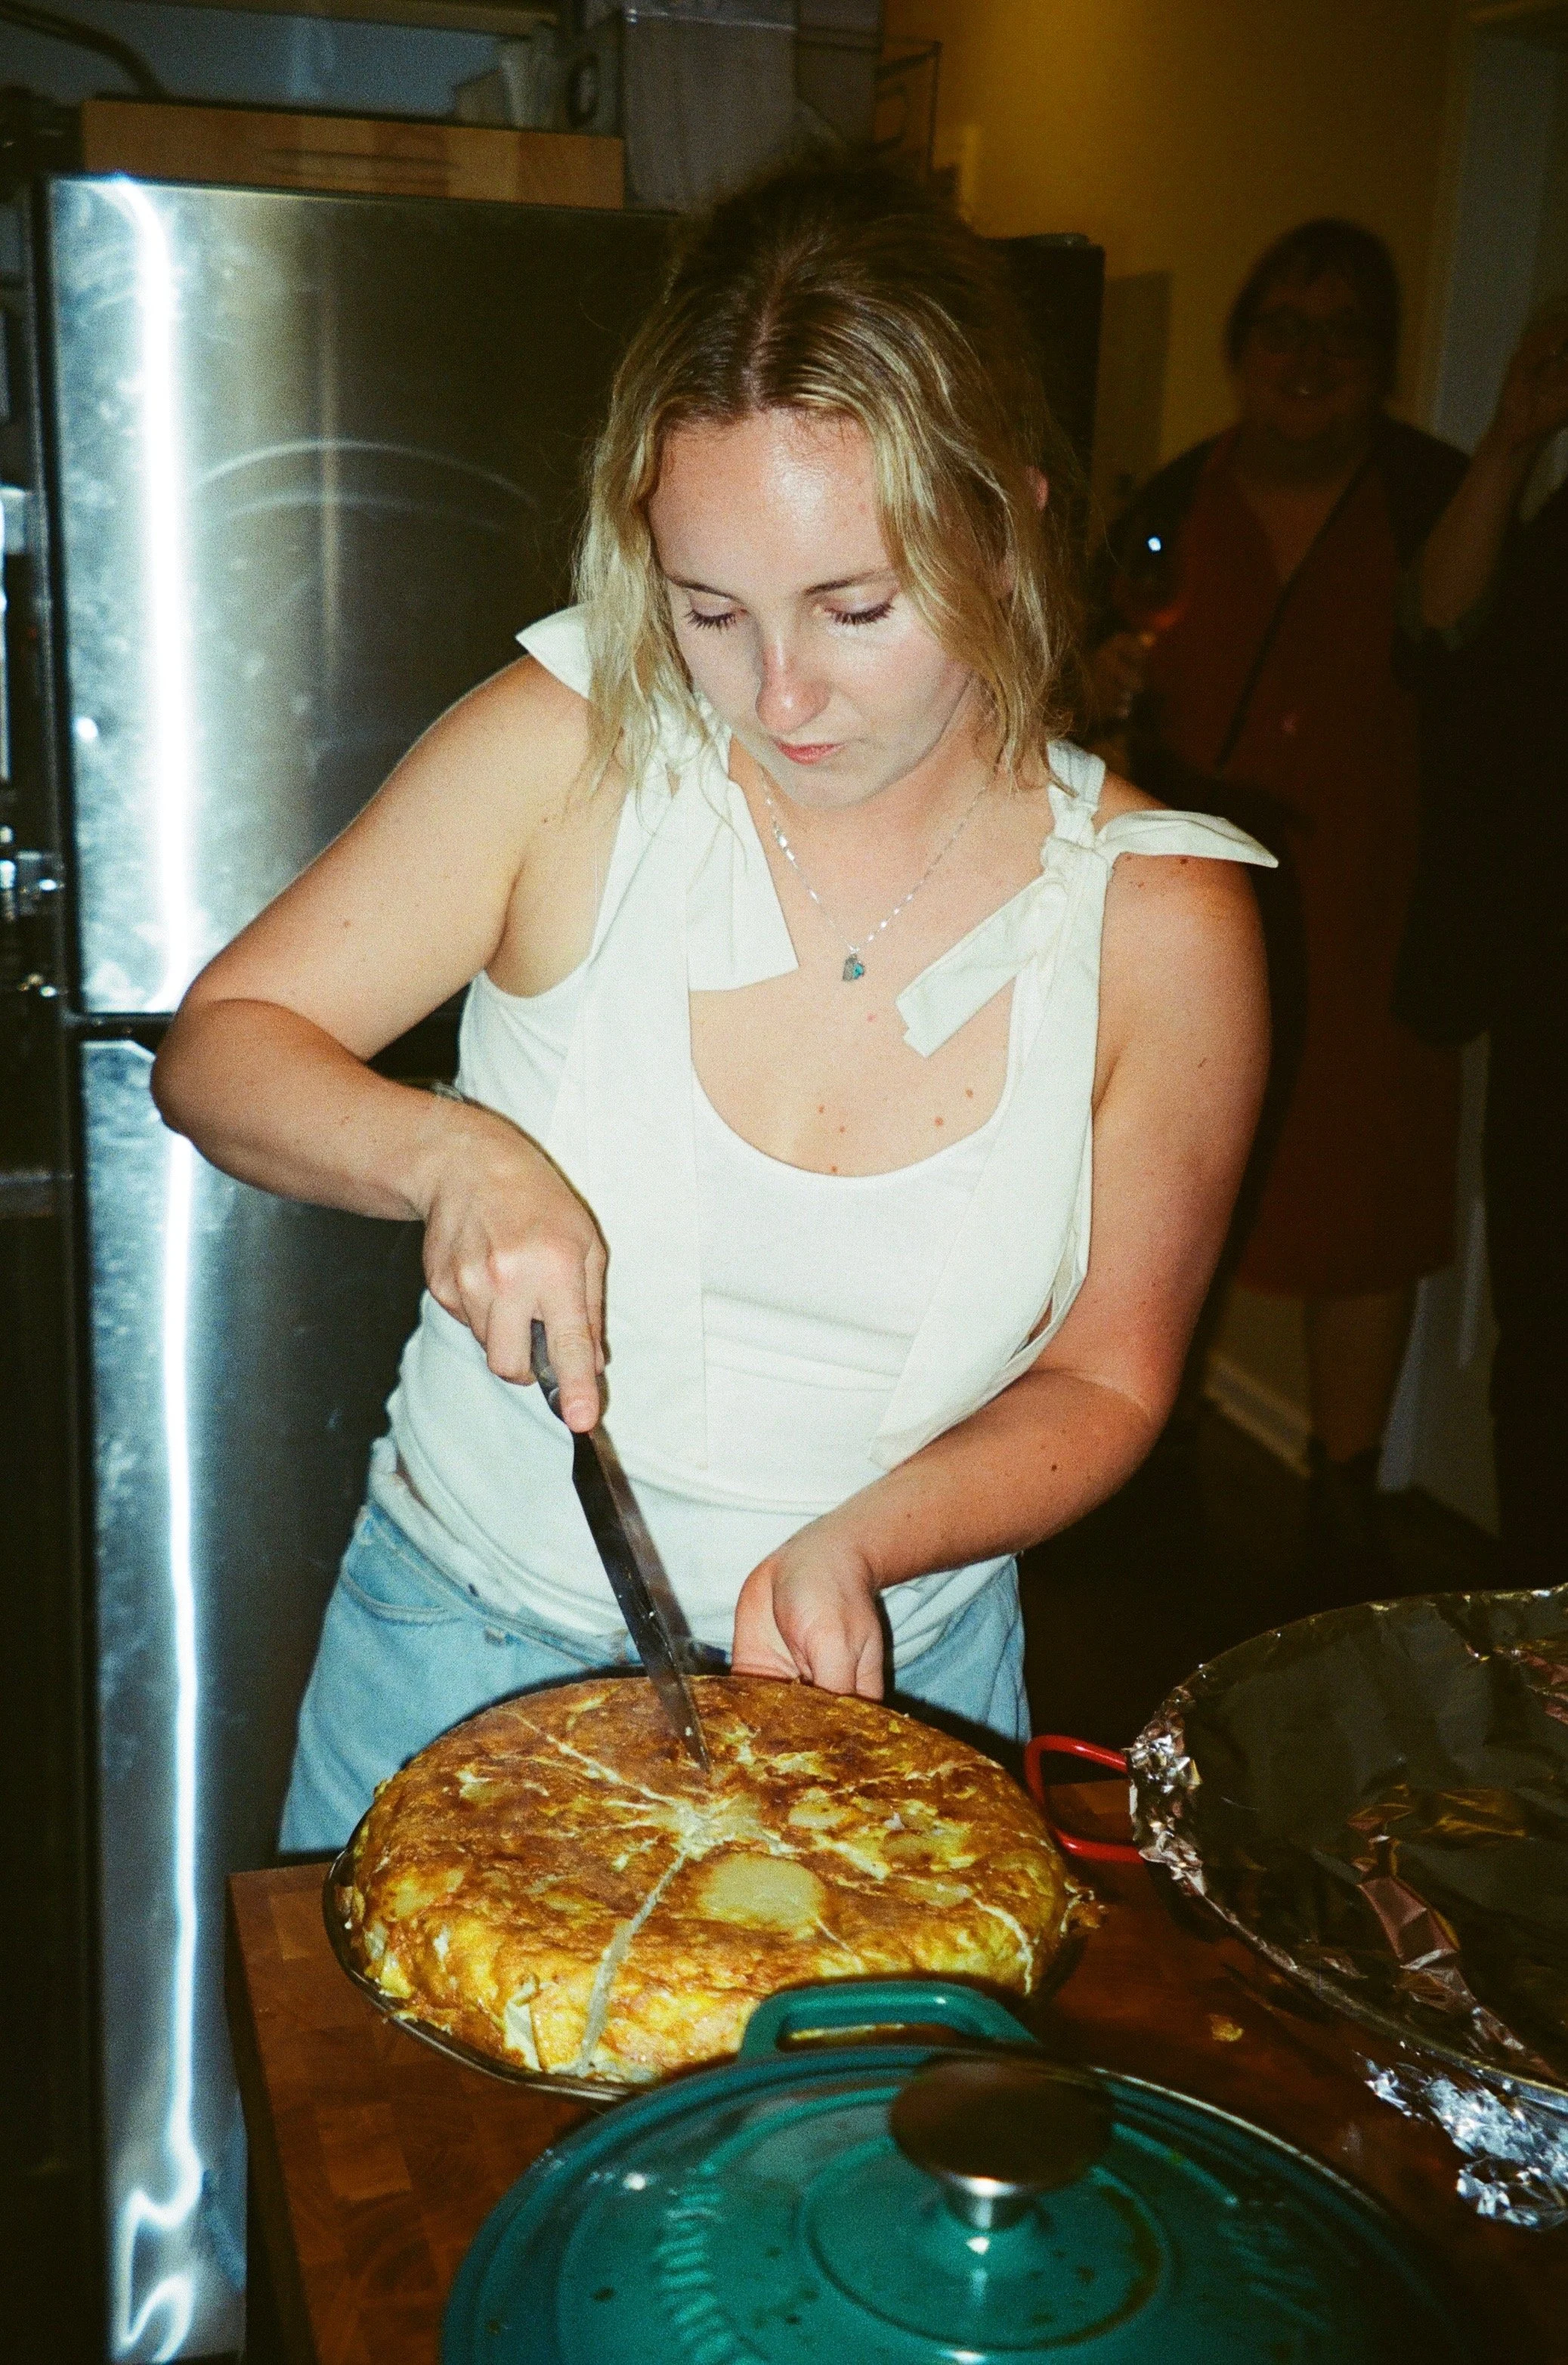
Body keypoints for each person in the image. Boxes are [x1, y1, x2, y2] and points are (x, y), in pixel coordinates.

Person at [153, 163, 1272, 1850]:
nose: (778, 692)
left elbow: (1108, 1379)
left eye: (857, 606)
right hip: (455, 1651)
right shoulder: (573, 747)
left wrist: (863, 1540)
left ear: (1007, 529)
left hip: (893, 1688)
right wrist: (453, 1154)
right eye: (709, 612)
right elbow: (220, 1050)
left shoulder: (1161, 917)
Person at [1089, 220, 1468, 1591]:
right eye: (1282, 327)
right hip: (1206, 913)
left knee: (1367, 1208)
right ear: (1240, 348)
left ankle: (1344, 1511)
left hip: (1379, 915)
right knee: (1179, 1184)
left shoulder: (1433, 495)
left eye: (1341, 331)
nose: (1308, 357)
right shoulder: (1176, 497)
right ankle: (1150, 1468)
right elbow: (1100, 670)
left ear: (1381, 358)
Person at [1415, 307, 1568, 1584]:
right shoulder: (1556, 523)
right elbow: (1437, 621)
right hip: (1550, 992)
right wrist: (1514, 436)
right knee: (1546, 1342)